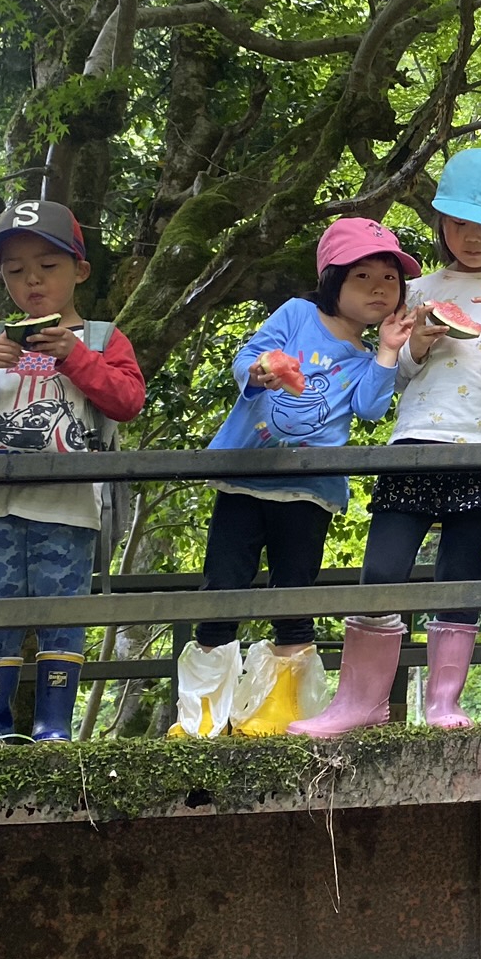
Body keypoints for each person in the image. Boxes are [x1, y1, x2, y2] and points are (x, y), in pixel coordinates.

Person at [291, 151, 481, 737]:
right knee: (382, 572)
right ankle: (359, 702)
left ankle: (444, 703)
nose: (471, 237)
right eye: (458, 223)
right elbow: (391, 377)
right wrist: (415, 344)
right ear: (442, 225)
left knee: (461, 577)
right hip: (415, 444)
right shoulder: (416, 288)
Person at [166, 217, 418, 738]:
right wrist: (258, 371)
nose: (378, 288)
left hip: (309, 491)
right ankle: (202, 714)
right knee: (222, 587)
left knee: (295, 592)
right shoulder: (297, 314)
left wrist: (390, 352)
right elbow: (246, 359)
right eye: (362, 276)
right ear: (332, 281)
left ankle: (281, 708)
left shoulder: (368, 355)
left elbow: (371, 410)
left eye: (389, 279)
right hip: (244, 475)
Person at [0, 201, 147, 743]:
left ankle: (53, 725)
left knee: (62, 610)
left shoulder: (102, 338)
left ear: (80, 270)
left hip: (71, 504)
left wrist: (76, 357)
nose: (32, 280)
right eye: (15, 270)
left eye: (48, 266)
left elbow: (128, 400)